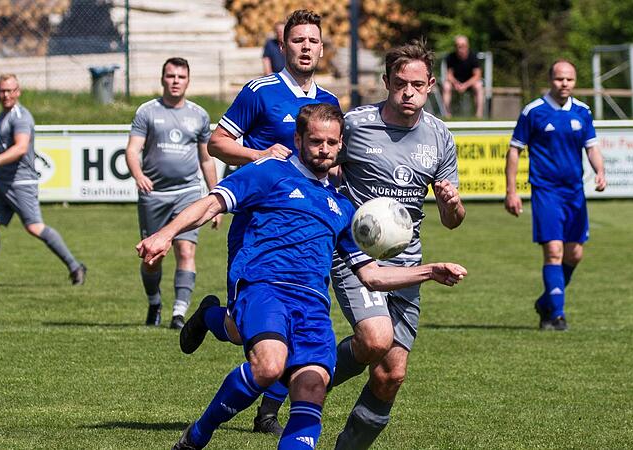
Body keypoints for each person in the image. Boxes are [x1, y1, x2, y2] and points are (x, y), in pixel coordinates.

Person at [137, 103, 467, 450]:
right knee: (268, 366)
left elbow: (370, 275)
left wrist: (430, 271)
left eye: (331, 143)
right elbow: (211, 204)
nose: (323, 149)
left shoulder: (342, 208)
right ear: (298, 140)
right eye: (315, 141)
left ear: (341, 146)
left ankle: (211, 321)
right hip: (265, 288)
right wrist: (166, 234)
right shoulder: (269, 172)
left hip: (312, 306)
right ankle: (197, 436)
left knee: (311, 388)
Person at [206, 9, 340, 435]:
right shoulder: (260, 92)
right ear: (282, 46)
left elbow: (330, 165)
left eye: (312, 40)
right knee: (240, 324)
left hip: (306, 229)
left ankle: (270, 409)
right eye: (297, 40)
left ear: (321, 47)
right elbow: (217, 142)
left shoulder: (330, 104)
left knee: (299, 314)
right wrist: (258, 155)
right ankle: (210, 316)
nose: (305, 47)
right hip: (257, 226)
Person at [328, 40, 466, 449]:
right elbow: (321, 167)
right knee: (374, 339)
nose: (408, 92)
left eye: (418, 84)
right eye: (400, 83)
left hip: (405, 261)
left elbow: (452, 222)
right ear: (386, 81)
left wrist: (451, 204)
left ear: (431, 85)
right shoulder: (354, 124)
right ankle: (303, 382)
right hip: (354, 254)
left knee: (391, 374)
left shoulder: (440, 137)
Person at [504, 59, 607, 331]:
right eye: (560, 79)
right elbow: (515, 150)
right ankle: (557, 315)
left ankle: (546, 301)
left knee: (574, 254)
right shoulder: (534, 111)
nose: (565, 84)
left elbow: (592, 147)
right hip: (545, 191)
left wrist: (600, 171)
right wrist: (511, 191)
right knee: (554, 251)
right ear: (550, 80)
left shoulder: (583, 112)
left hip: (574, 192)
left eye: (570, 79)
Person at [125, 57, 221, 329]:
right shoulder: (147, 111)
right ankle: (154, 301)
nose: (175, 81)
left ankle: (179, 313)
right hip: (154, 195)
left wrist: (215, 197)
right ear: (162, 79)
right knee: (152, 257)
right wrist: (138, 174)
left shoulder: (199, 115)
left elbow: (206, 159)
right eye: (170, 76)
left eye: (180, 77)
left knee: (187, 251)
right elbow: (133, 149)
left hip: (188, 193)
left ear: (188, 81)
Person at [0, 74, 86, 287]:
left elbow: (21, 148)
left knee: (34, 227)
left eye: (10, 90)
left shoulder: (21, 117)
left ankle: (75, 266)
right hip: (0, 184)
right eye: (2, 91)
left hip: (21, 182)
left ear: (18, 92)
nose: (5, 95)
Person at [442, 35, 484, 119]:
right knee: (446, 86)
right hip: (455, 83)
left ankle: (479, 115)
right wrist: (456, 83)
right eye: (458, 46)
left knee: (479, 85)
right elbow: (449, 75)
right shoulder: (450, 57)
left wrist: (465, 85)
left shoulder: (473, 56)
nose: (461, 48)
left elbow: (477, 75)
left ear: (467, 46)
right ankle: (447, 114)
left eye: (463, 45)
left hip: (470, 83)